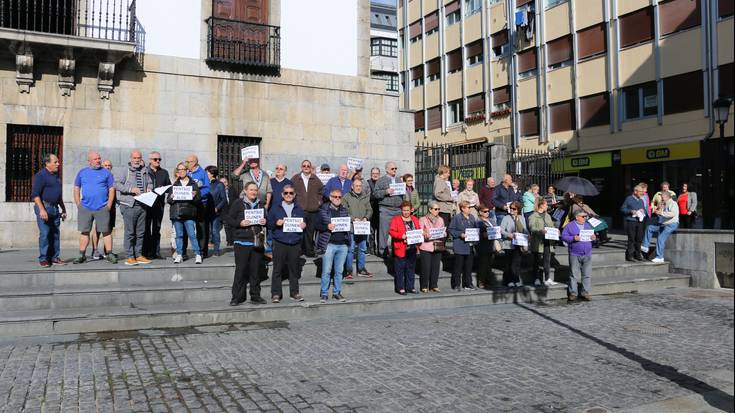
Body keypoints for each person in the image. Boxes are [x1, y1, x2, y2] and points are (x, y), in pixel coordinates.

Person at [224, 181, 267, 306]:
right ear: (245, 191)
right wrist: (240, 223)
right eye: (251, 190)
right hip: (242, 241)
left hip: (257, 241)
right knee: (241, 270)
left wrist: (265, 221)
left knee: (255, 271)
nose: (254, 192)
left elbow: (267, 221)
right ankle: (237, 297)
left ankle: (255, 296)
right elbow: (229, 219)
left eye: (255, 190)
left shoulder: (260, 204)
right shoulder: (238, 203)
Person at [73, 151, 117, 264]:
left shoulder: (106, 173)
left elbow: (112, 189)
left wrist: (109, 205)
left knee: (106, 231)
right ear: (89, 161)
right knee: (84, 231)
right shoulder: (82, 172)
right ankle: (81, 255)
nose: (98, 160)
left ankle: (110, 253)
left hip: (102, 207)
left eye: (99, 158)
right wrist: (78, 204)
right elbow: (76, 188)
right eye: (95, 159)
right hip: (85, 207)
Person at [267, 184, 306, 303]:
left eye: (291, 193)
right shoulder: (275, 208)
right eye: (286, 193)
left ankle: (294, 293)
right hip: (280, 242)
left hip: (294, 242)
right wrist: (276, 224)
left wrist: (304, 225)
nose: (288, 195)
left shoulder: (299, 208)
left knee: (294, 269)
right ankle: (276, 293)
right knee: (277, 269)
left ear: (294, 195)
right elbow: (268, 224)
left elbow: (303, 223)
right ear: (282, 194)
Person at [114, 150, 154, 265]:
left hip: (142, 204)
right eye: (134, 158)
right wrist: (131, 190)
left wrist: (149, 188)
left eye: (139, 158)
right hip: (129, 205)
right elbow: (116, 184)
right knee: (130, 232)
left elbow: (150, 182)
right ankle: (130, 256)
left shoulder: (144, 170)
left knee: (141, 232)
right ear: (131, 158)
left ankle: (139, 254)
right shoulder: (124, 170)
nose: (137, 160)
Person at [31, 153, 67, 267]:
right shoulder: (40, 175)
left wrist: (63, 209)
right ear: (47, 163)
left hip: (55, 209)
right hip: (44, 207)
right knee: (45, 233)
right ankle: (43, 258)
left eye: (58, 161)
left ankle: (55, 257)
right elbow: (35, 195)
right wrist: (42, 210)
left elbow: (58, 195)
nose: (58, 164)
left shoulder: (56, 176)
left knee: (55, 234)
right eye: (55, 162)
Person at [316, 189, 350, 303]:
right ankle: (324, 293)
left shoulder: (344, 210)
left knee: (339, 271)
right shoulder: (323, 210)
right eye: (335, 197)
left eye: (339, 197)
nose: (337, 199)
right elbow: (317, 226)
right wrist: (327, 227)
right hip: (329, 244)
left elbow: (347, 226)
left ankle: (337, 292)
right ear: (330, 197)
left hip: (342, 245)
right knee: (326, 270)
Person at [168, 163, 203, 264]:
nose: (181, 171)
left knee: (192, 235)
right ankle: (179, 254)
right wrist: (172, 197)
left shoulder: (193, 184)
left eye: (183, 169)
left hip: (189, 213)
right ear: (177, 171)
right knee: (179, 235)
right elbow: (169, 201)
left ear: (187, 171)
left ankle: (197, 254)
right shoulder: (175, 184)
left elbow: (198, 200)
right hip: (177, 213)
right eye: (179, 169)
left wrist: (194, 196)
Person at [291, 159, 324, 257]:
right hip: (299, 209)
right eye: (304, 166)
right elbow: (290, 190)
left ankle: (309, 251)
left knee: (310, 231)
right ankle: (299, 250)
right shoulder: (295, 178)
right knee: (299, 230)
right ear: (301, 167)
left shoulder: (315, 178)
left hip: (312, 210)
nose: (306, 167)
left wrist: (319, 201)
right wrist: (294, 203)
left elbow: (322, 190)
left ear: (310, 168)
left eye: (308, 166)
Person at [560, 210, 596, 301]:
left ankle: (585, 292)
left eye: (585, 216)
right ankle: (573, 293)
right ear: (577, 217)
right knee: (573, 275)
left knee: (587, 274)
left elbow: (592, 235)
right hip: (574, 253)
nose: (585, 218)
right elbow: (563, 236)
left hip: (587, 253)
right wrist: (573, 238)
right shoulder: (569, 226)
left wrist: (594, 237)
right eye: (583, 216)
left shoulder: (588, 225)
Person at [343, 178, 373, 278]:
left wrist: (366, 217)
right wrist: (353, 218)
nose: (358, 188)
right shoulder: (346, 197)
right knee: (350, 249)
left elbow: (369, 210)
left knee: (362, 248)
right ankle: (349, 271)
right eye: (356, 186)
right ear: (352, 187)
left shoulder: (365, 197)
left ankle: (361, 269)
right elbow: (344, 211)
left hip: (363, 227)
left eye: (360, 186)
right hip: (352, 227)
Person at [389, 201, 421, 295]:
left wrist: (421, 233)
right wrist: (401, 236)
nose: (406, 212)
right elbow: (391, 231)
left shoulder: (415, 219)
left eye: (407, 210)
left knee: (411, 268)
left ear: (411, 210)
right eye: (404, 210)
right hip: (401, 248)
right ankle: (400, 287)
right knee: (400, 269)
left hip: (412, 247)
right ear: (401, 210)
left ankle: (410, 287)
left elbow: (418, 230)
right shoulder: (396, 219)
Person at [143, 152, 170, 260]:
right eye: (155, 159)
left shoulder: (164, 172)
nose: (158, 161)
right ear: (150, 160)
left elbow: (169, 186)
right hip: (146, 204)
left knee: (156, 229)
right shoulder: (144, 171)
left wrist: (163, 189)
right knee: (145, 229)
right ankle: (145, 252)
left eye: (159, 159)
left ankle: (156, 252)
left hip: (159, 205)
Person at [372, 161, 403, 257]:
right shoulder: (381, 180)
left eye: (395, 168)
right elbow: (375, 194)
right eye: (392, 169)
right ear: (386, 170)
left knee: (397, 231)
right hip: (386, 209)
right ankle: (382, 251)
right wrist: (386, 191)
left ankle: (396, 250)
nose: (394, 170)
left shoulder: (399, 180)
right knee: (384, 231)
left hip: (398, 209)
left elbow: (403, 194)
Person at [448, 200, 480, 291]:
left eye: (470, 207)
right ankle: (456, 284)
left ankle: (468, 283)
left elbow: (475, 229)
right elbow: (451, 229)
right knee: (458, 266)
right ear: (462, 208)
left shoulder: (472, 217)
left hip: (469, 246)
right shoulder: (457, 218)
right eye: (468, 207)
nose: (470, 209)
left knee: (469, 266)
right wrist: (460, 234)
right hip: (460, 245)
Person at [641, 191, 679, 263]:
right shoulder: (664, 203)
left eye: (662, 197)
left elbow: (673, 214)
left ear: (667, 197)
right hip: (663, 223)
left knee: (660, 238)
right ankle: (645, 246)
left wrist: (661, 212)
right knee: (650, 227)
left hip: (672, 224)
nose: (661, 198)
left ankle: (660, 257)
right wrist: (659, 209)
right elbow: (660, 215)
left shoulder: (673, 203)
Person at [186, 155, 211, 258]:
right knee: (187, 227)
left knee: (201, 228)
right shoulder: (186, 173)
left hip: (201, 204)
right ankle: (184, 251)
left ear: (195, 162)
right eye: (186, 161)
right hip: (188, 205)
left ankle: (202, 251)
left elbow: (207, 189)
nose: (187, 163)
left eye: (189, 161)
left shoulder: (202, 173)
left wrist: (197, 193)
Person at [91, 160, 116, 260]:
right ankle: (95, 250)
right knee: (97, 229)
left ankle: (107, 252)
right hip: (100, 207)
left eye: (109, 165)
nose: (107, 167)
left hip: (111, 208)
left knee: (108, 229)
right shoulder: (99, 177)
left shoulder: (113, 178)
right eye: (105, 165)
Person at [419, 201, 445, 293]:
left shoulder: (441, 219)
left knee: (436, 267)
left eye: (438, 209)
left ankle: (434, 285)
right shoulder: (423, 219)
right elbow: (420, 231)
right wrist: (425, 234)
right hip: (426, 246)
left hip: (437, 245)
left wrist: (444, 233)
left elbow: (443, 230)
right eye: (435, 209)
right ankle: (424, 286)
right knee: (426, 267)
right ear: (430, 209)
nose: (437, 211)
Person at [528, 198, 555, 287]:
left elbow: (551, 226)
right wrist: (540, 231)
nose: (547, 206)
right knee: (536, 261)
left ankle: (547, 278)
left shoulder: (547, 216)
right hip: (537, 242)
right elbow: (532, 228)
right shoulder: (533, 216)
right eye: (546, 204)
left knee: (547, 260)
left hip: (547, 240)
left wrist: (555, 231)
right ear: (541, 205)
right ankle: (536, 278)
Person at [500, 201, 527, 288]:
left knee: (517, 263)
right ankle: (508, 280)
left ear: (518, 210)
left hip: (519, 244)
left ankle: (516, 279)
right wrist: (509, 235)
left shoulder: (521, 218)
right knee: (509, 263)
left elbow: (524, 230)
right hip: (508, 244)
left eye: (514, 208)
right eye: (510, 208)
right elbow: (501, 230)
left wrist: (528, 236)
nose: (512, 210)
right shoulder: (506, 218)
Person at [621, 185, 647, 262]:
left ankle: (638, 255)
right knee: (631, 239)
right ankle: (630, 256)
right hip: (631, 221)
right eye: (640, 191)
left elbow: (645, 211)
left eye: (643, 191)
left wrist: (643, 211)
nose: (642, 193)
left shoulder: (641, 200)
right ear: (635, 191)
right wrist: (631, 211)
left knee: (639, 239)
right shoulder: (629, 199)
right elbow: (623, 209)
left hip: (640, 222)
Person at [206, 166, 227, 256]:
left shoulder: (219, 184)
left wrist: (217, 208)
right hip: (204, 211)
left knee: (215, 230)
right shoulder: (203, 183)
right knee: (205, 231)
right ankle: (204, 251)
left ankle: (216, 250)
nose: (205, 174)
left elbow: (223, 199)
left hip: (215, 212)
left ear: (212, 173)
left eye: (206, 172)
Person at [475, 204, 498, 289]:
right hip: (482, 245)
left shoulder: (491, 220)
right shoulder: (478, 222)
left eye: (488, 211)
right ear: (480, 212)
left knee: (489, 264)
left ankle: (488, 281)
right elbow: (476, 233)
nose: (487, 213)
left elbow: (496, 230)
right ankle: (481, 281)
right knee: (483, 264)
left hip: (491, 245)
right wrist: (482, 234)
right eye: (485, 211)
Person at [219, 176, 238, 247]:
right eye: (222, 183)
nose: (224, 184)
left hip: (232, 209)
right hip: (224, 210)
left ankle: (234, 240)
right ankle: (229, 241)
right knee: (227, 226)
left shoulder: (232, 189)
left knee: (233, 225)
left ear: (227, 182)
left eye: (225, 182)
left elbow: (236, 198)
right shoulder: (219, 190)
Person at [368, 167, 381, 254]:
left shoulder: (382, 182)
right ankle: (372, 248)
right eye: (373, 173)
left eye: (376, 173)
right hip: (371, 210)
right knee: (371, 231)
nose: (375, 175)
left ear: (379, 174)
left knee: (380, 232)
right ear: (371, 174)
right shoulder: (368, 183)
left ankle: (380, 249)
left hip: (380, 211)